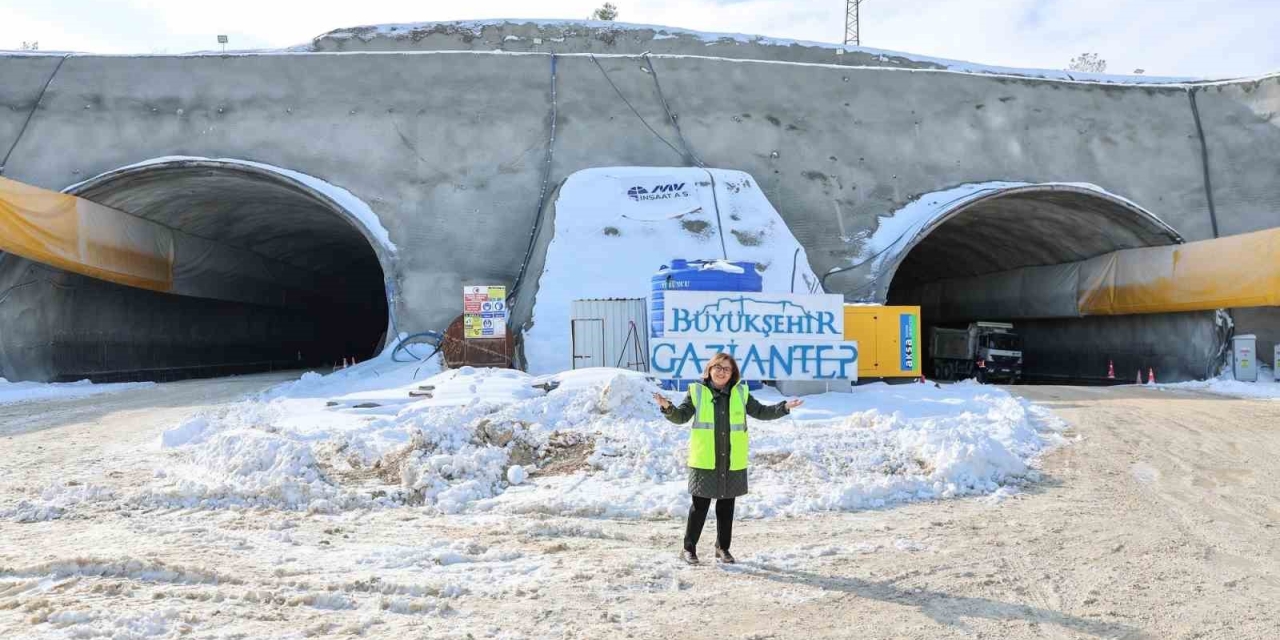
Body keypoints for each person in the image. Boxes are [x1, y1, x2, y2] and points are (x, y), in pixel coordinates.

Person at [653, 352, 803, 565]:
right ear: (709, 369)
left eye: (727, 368)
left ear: (733, 373)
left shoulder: (741, 392)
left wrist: (784, 407)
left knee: (726, 507)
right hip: (705, 460)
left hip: (732, 459)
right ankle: (688, 549)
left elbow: (760, 411)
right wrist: (667, 407)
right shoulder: (696, 391)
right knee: (699, 507)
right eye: (718, 367)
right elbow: (681, 416)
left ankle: (722, 548)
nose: (722, 372)